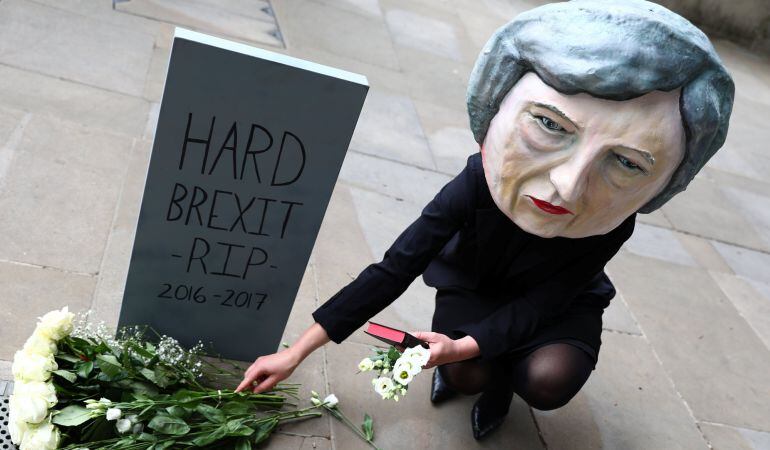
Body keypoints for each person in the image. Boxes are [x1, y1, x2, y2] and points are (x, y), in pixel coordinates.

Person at [236, 0, 734, 440]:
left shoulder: (612, 223)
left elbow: (545, 302)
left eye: (626, 163)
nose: (567, 185)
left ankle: (501, 381)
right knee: (467, 375)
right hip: (477, 284)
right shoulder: (476, 183)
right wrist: (296, 352)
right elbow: (396, 266)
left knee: (546, 379)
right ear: (490, 116)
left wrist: (464, 345)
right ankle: (482, 372)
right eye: (549, 126)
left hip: (558, 304)